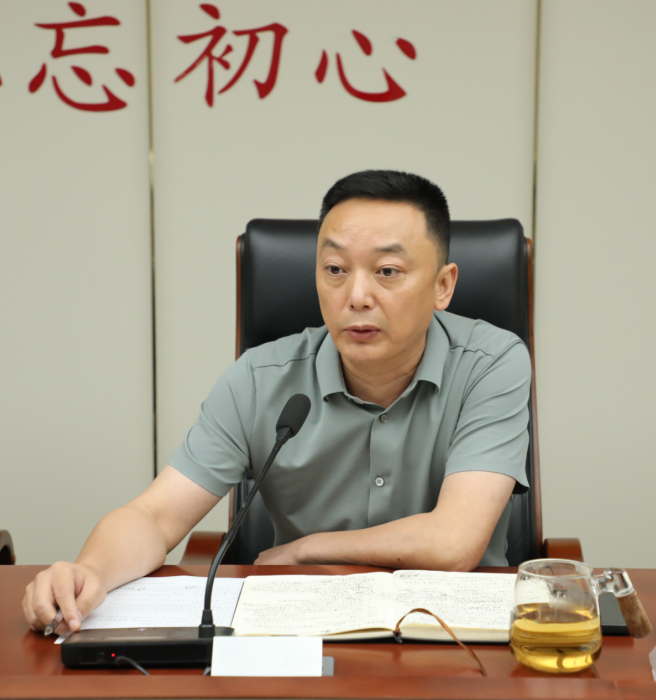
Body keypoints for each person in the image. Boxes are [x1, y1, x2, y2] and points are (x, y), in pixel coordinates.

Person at [23, 170, 531, 636]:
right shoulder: (259, 380)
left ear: (443, 285)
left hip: (458, 637)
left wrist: (309, 549)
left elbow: (453, 542)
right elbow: (155, 517)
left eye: (387, 271)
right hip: (303, 631)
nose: (356, 296)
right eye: (335, 269)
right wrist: (90, 571)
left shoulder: (492, 364)